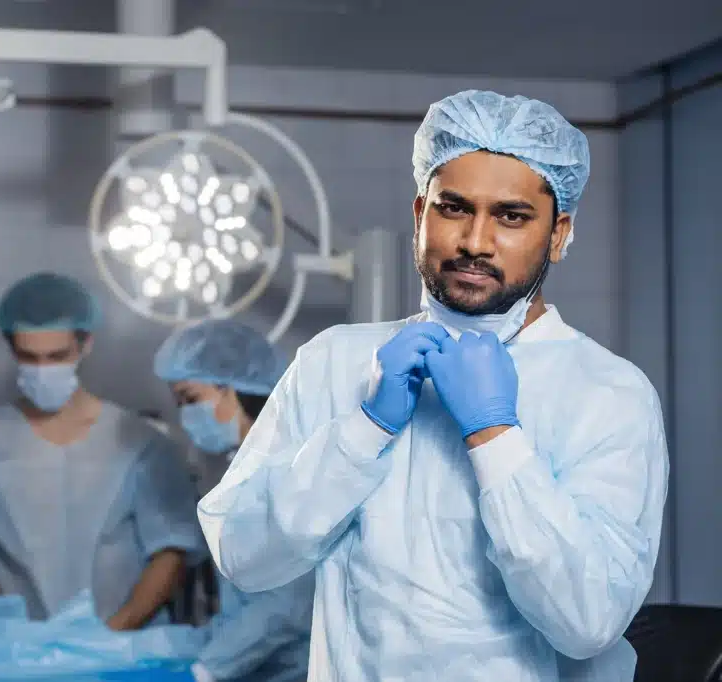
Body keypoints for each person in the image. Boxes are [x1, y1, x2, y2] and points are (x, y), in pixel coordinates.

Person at [197, 90, 669, 681]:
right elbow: (243, 557)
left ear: (558, 233)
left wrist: (496, 436)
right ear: (420, 214)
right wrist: (361, 433)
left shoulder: (609, 393)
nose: (475, 240)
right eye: (453, 208)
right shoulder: (334, 361)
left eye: (511, 216)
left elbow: (587, 622)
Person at [0, 273, 204, 628]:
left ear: (85, 344)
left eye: (57, 356)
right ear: (11, 349)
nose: (43, 370)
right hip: (20, 653)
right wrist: (17, 637)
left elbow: (170, 552)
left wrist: (114, 634)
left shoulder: (140, 444)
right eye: (30, 357)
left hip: (124, 649)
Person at [154, 320, 314, 682]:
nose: (185, 415)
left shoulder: (286, 469)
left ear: (235, 388)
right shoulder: (244, 472)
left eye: (191, 399)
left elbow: (288, 604)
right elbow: (243, 606)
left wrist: (207, 669)